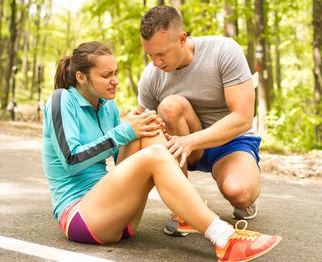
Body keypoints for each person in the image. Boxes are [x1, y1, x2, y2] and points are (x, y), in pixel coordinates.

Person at [41, 41, 281, 261]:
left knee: (148, 127)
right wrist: (124, 133)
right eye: (106, 75)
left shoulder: (107, 106)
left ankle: (188, 213)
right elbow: (71, 160)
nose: (115, 80)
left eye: (115, 73)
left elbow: (120, 163)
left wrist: (143, 132)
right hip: (81, 217)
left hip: (119, 217)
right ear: (81, 77)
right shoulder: (61, 100)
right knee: (151, 152)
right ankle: (224, 238)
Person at [138, 6, 262, 237]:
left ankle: (248, 181)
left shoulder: (223, 51)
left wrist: (191, 141)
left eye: (161, 54)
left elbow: (243, 118)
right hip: (184, 143)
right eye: (150, 55)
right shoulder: (151, 75)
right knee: (169, 106)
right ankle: (183, 210)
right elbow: (143, 128)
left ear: (182, 38)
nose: (156, 62)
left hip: (230, 141)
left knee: (239, 192)